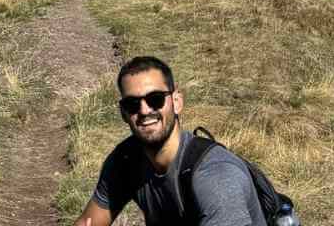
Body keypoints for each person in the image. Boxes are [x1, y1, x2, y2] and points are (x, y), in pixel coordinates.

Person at [74, 56, 267, 226]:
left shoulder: (217, 176)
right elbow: (88, 221)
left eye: (155, 99)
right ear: (123, 113)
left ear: (176, 102)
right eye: (132, 104)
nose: (144, 110)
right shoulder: (126, 160)